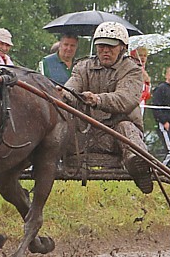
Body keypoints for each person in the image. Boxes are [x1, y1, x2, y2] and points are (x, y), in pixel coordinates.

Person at [63, 21, 152, 194]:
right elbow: (71, 87)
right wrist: (63, 94)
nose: (105, 50)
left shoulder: (132, 70)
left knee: (125, 127)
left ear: (123, 48)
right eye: (101, 46)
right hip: (87, 132)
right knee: (60, 122)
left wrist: (97, 99)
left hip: (118, 134)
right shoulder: (83, 67)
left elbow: (125, 99)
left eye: (111, 47)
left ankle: (139, 165)